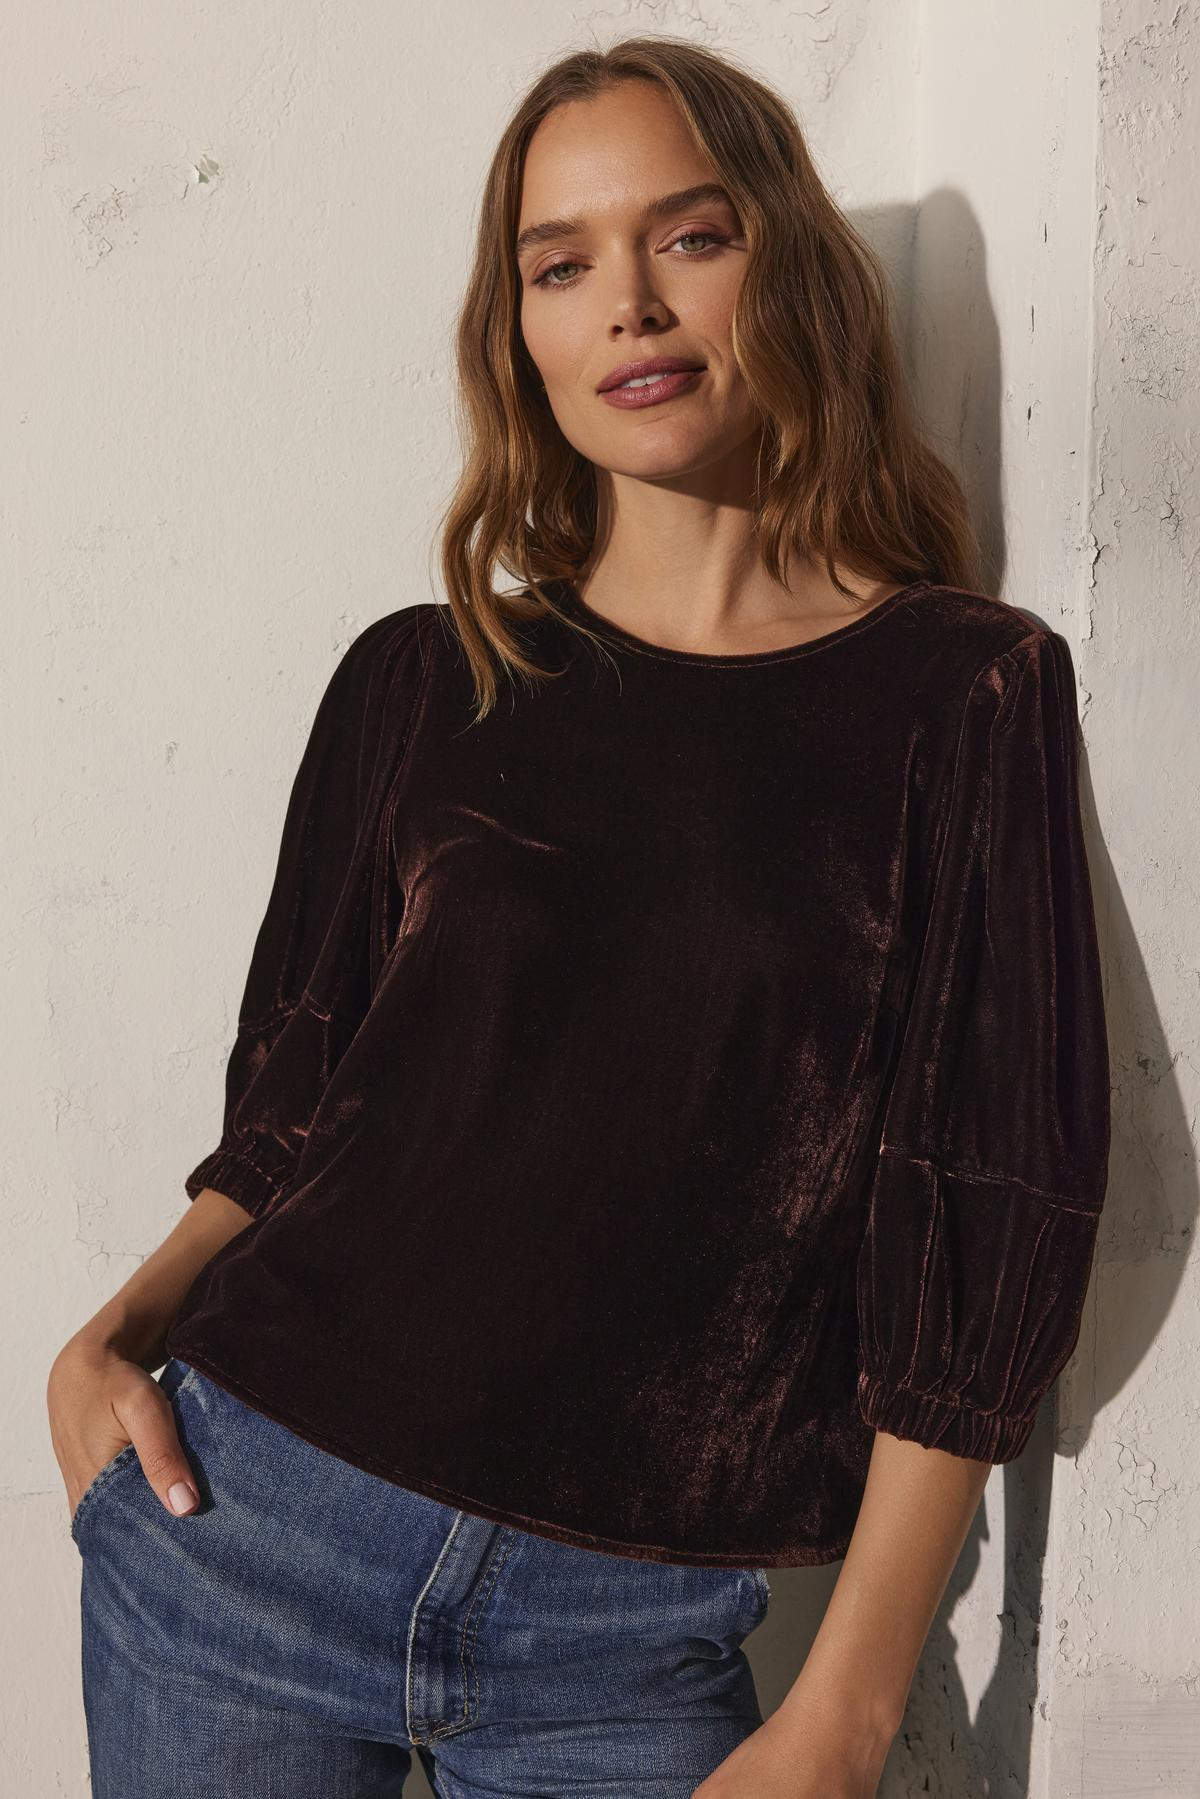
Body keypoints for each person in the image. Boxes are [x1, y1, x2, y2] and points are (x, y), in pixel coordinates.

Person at [47, 35, 1111, 1799]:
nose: (628, 303)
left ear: (785, 262)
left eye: (689, 237)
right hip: (236, 1539)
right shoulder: (426, 678)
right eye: (562, 263)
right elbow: (294, 1107)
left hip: (625, 1653)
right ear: (520, 332)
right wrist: (109, 1339)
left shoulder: (962, 694)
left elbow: (982, 1209)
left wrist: (844, 1713)